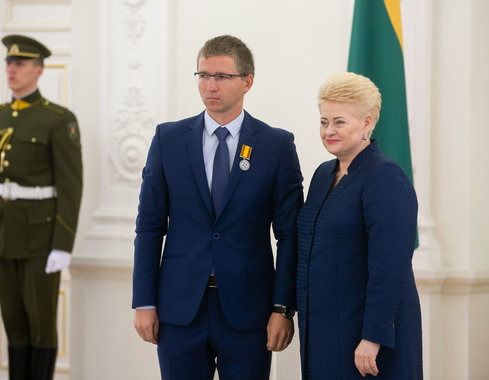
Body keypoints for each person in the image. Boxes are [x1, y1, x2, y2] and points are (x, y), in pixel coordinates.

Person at [132, 35, 303, 380]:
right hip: (179, 309)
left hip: (249, 310)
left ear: (247, 82)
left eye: (222, 76)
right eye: (203, 75)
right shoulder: (168, 139)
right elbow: (150, 226)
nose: (210, 85)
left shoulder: (276, 145)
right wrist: (144, 301)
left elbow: (289, 235)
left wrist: (282, 307)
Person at [296, 72, 422, 379]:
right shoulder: (323, 175)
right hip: (323, 332)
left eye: (339, 122)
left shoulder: (385, 176)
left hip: (366, 340)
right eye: (324, 121)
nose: (329, 131)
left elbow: (390, 267)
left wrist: (373, 337)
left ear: (366, 123)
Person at [0, 34, 83, 379]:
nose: (11, 69)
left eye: (19, 63)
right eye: (8, 62)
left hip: (40, 237)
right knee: (14, 326)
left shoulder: (57, 119)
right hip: (5, 235)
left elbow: (70, 186)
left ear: (38, 70)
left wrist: (63, 245)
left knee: (41, 326)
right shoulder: (2, 115)